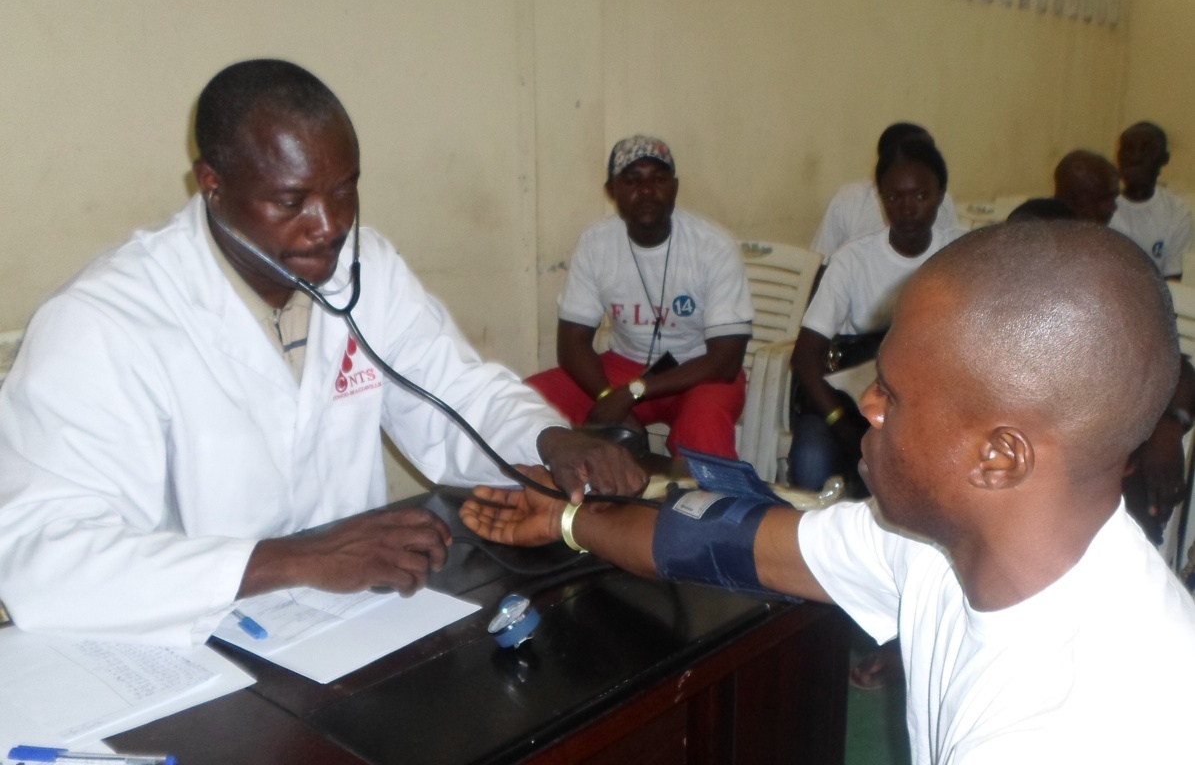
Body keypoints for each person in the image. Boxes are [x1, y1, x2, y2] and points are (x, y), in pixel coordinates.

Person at [462, 221, 1195, 763]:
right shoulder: (942, 545)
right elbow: (726, 540)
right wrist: (566, 519)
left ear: (998, 459)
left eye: (892, 394)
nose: (864, 404)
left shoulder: (1074, 730)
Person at [0, 59, 644, 646]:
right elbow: (41, 558)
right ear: (212, 184)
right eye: (292, 201)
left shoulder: (366, 268)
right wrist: (293, 559)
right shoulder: (100, 322)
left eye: (344, 190)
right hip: (185, 652)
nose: (330, 225)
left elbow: (452, 391)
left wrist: (547, 441)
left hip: (351, 626)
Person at [525, 136, 753, 459]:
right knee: (525, 402)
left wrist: (631, 394)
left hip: (700, 371)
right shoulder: (596, 244)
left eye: (658, 179)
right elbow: (572, 344)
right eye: (632, 180)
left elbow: (725, 362)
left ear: (674, 187)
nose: (646, 190)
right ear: (611, 190)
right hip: (622, 367)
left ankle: (711, 493)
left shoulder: (714, 247)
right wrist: (607, 395)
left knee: (702, 435)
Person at [1013, 184, 1195, 547]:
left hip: (1100, 484)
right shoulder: (986, 317)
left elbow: (1180, 370)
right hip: (1021, 482)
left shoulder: (1107, 309)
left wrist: (1170, 426)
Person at [789, 137, 964, 496]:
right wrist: (841, 423)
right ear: (881, 200)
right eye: (895, 197)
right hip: (851, 401)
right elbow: (805, 356)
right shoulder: (852, 260)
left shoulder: (962, 252)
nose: (908, 208)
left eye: (921, 195)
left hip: (934, 400)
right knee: (810, 458)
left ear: (940, 195)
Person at [810, 122, 960, 264]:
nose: (908, 209)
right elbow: (820, 261)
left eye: (921, 196)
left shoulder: (943, 202)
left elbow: (950, 258)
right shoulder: (849, 200)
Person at [1109, 121, 1193, 281]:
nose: (1136, 158)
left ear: (1164, 159)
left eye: (1146, 151)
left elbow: (1173, 281)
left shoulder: (1178, 213)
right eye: (1128, 150)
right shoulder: (1100, 205)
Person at [1052, 149, 1120, 225]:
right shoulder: (1045, 229)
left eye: (1113, 198)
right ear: (1071, 202)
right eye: (1103, 199)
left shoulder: (1118, 226)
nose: (1114, 207)